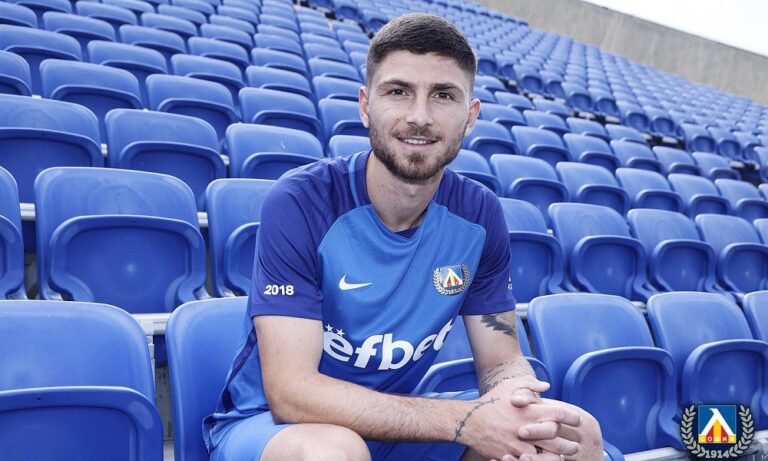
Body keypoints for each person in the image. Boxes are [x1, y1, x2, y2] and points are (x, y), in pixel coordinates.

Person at [204, 12, 603, 461]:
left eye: (443, 95)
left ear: (470, 116)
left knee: (574, 435)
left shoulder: (479, 214)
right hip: (276, 426)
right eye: (398, 91)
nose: (419, 117)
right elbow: (291, 393)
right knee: (333, 452)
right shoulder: (301, 201)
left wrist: (516, 398)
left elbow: (501, 357)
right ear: (365, 105)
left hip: (396, 420)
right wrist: (465, 421)